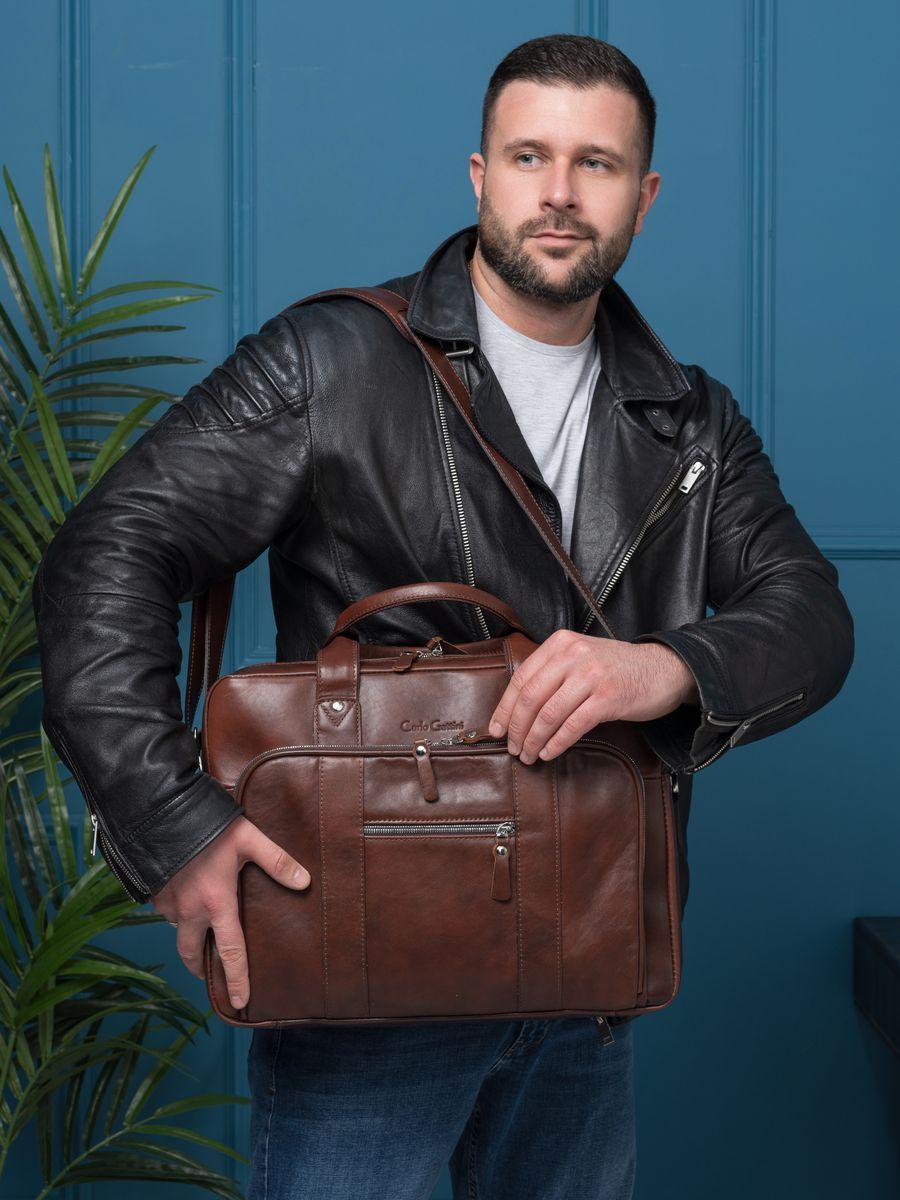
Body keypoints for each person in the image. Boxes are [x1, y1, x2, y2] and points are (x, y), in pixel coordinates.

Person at [33, 32, 853, 1200]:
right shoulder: (329, 361)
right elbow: (104, 553)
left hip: (585, 980)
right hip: (364, 978)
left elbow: (812, 615)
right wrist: (173, 823)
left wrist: (664, 668)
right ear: (480, 176)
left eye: (597, 163)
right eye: (529, 156)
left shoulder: (690, 421)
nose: (559, 192)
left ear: (645, 196)